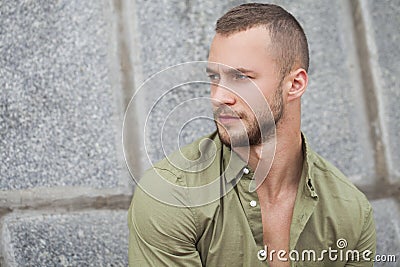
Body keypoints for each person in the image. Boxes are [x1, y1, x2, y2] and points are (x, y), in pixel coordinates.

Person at [128, 3, 376, 266]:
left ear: (295, 84)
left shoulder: (351, 212)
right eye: (214, 77)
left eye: (241, 78)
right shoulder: (170, 195)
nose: (219, 97)